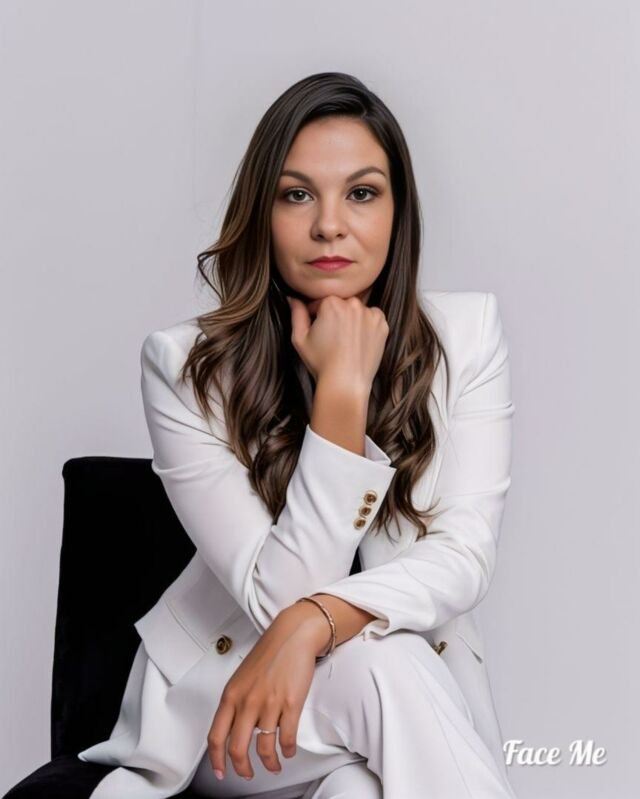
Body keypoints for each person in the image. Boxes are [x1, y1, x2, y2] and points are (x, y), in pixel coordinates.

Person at [77, 71, 518, 798]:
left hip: (389, 705)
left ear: (399, 212)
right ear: (262, 212)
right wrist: (342, 394)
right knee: (386, 663)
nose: (330, 225)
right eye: (296, 195)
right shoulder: (185, 367)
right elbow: (277, 597)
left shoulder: (465, 337)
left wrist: (318, 620)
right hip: (238, 707)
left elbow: (464, 556)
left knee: (358, 785)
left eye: (362, 193)